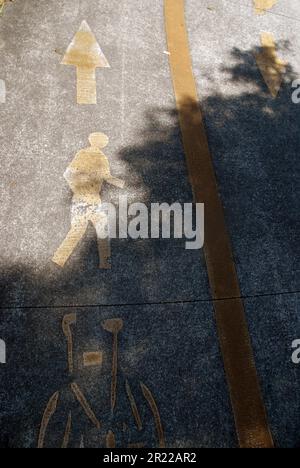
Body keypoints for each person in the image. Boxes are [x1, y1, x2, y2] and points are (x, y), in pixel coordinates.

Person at [52, 132, 124, 269]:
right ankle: (105, 262)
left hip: (80, 197)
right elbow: (107, 177)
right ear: (103, 144)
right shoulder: (101, 158)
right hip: (92, 199)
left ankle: (59, 258)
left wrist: (76, 189)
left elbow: (67, 174)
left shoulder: (82, 153)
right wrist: (122, 183)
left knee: (78, 229)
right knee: (101, 228)